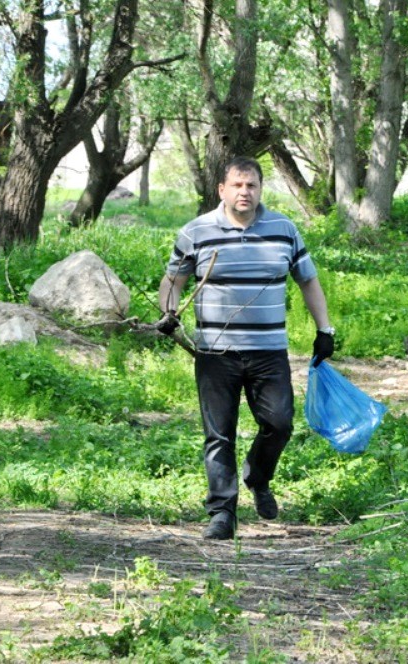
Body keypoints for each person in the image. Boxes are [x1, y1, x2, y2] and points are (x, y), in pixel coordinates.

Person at [157, 156, 335, 540]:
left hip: (269, 350)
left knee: (279, 423)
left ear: (260, 189)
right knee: (219, 434)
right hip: (215, 352)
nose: (244, 192)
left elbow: (307, 280)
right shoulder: (196, 232)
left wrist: (325, 329)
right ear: (221, 190)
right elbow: (172, 281)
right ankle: (222, 513)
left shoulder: (283, 230)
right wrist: (169, 313)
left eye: (251, 185)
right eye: (237, 185)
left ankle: (258, 475)